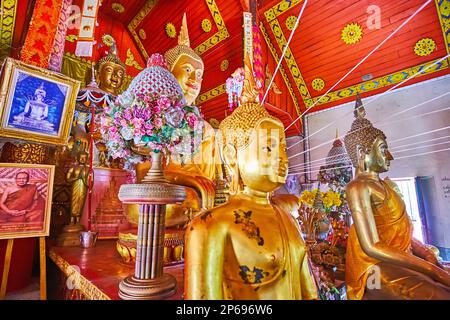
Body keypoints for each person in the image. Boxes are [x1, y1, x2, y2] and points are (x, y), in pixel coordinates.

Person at [184, 55, 318, 300]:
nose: (281, 158)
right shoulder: (210, 226)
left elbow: (309, 292)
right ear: (232, 156)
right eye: (268, 148)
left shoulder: (288, 217)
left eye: (283, 149)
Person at [343, 93, 450, 299]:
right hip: (373, 267)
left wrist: (426, 254)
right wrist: (431, 270)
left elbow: (401, 231)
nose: (389, 156)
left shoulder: (386, 185)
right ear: (361, 152)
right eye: (383, 149)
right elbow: (372, 246)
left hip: (399, 257)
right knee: (435, 294)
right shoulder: (358, 187)